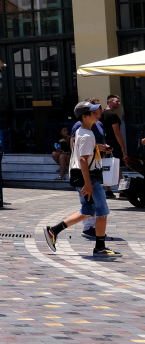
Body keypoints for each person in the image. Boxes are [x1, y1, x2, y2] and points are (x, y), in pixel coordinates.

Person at [45, 101, 119, 256]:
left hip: (82, 176)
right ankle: (100, 247)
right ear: (84, 116)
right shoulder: (87, 134)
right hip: (89, 178)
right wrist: (88, 184)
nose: (97, 114)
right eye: (93, 113)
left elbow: (85, 151)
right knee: (102, 212)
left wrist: (99, 147)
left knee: (87, 210)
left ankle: (53, 230)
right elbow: (84, 159)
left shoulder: (82, 131)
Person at [101, 95, 126, 198]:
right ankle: (122, 191)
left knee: (106, 167)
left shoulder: (101, 114)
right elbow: (117, 133)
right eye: (116, 101)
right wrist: (123, 147)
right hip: (114, 143)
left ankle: (108, 190)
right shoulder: (113, 116)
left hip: (104, 143)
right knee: (119, 168)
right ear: (110, 101)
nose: (119, 103)